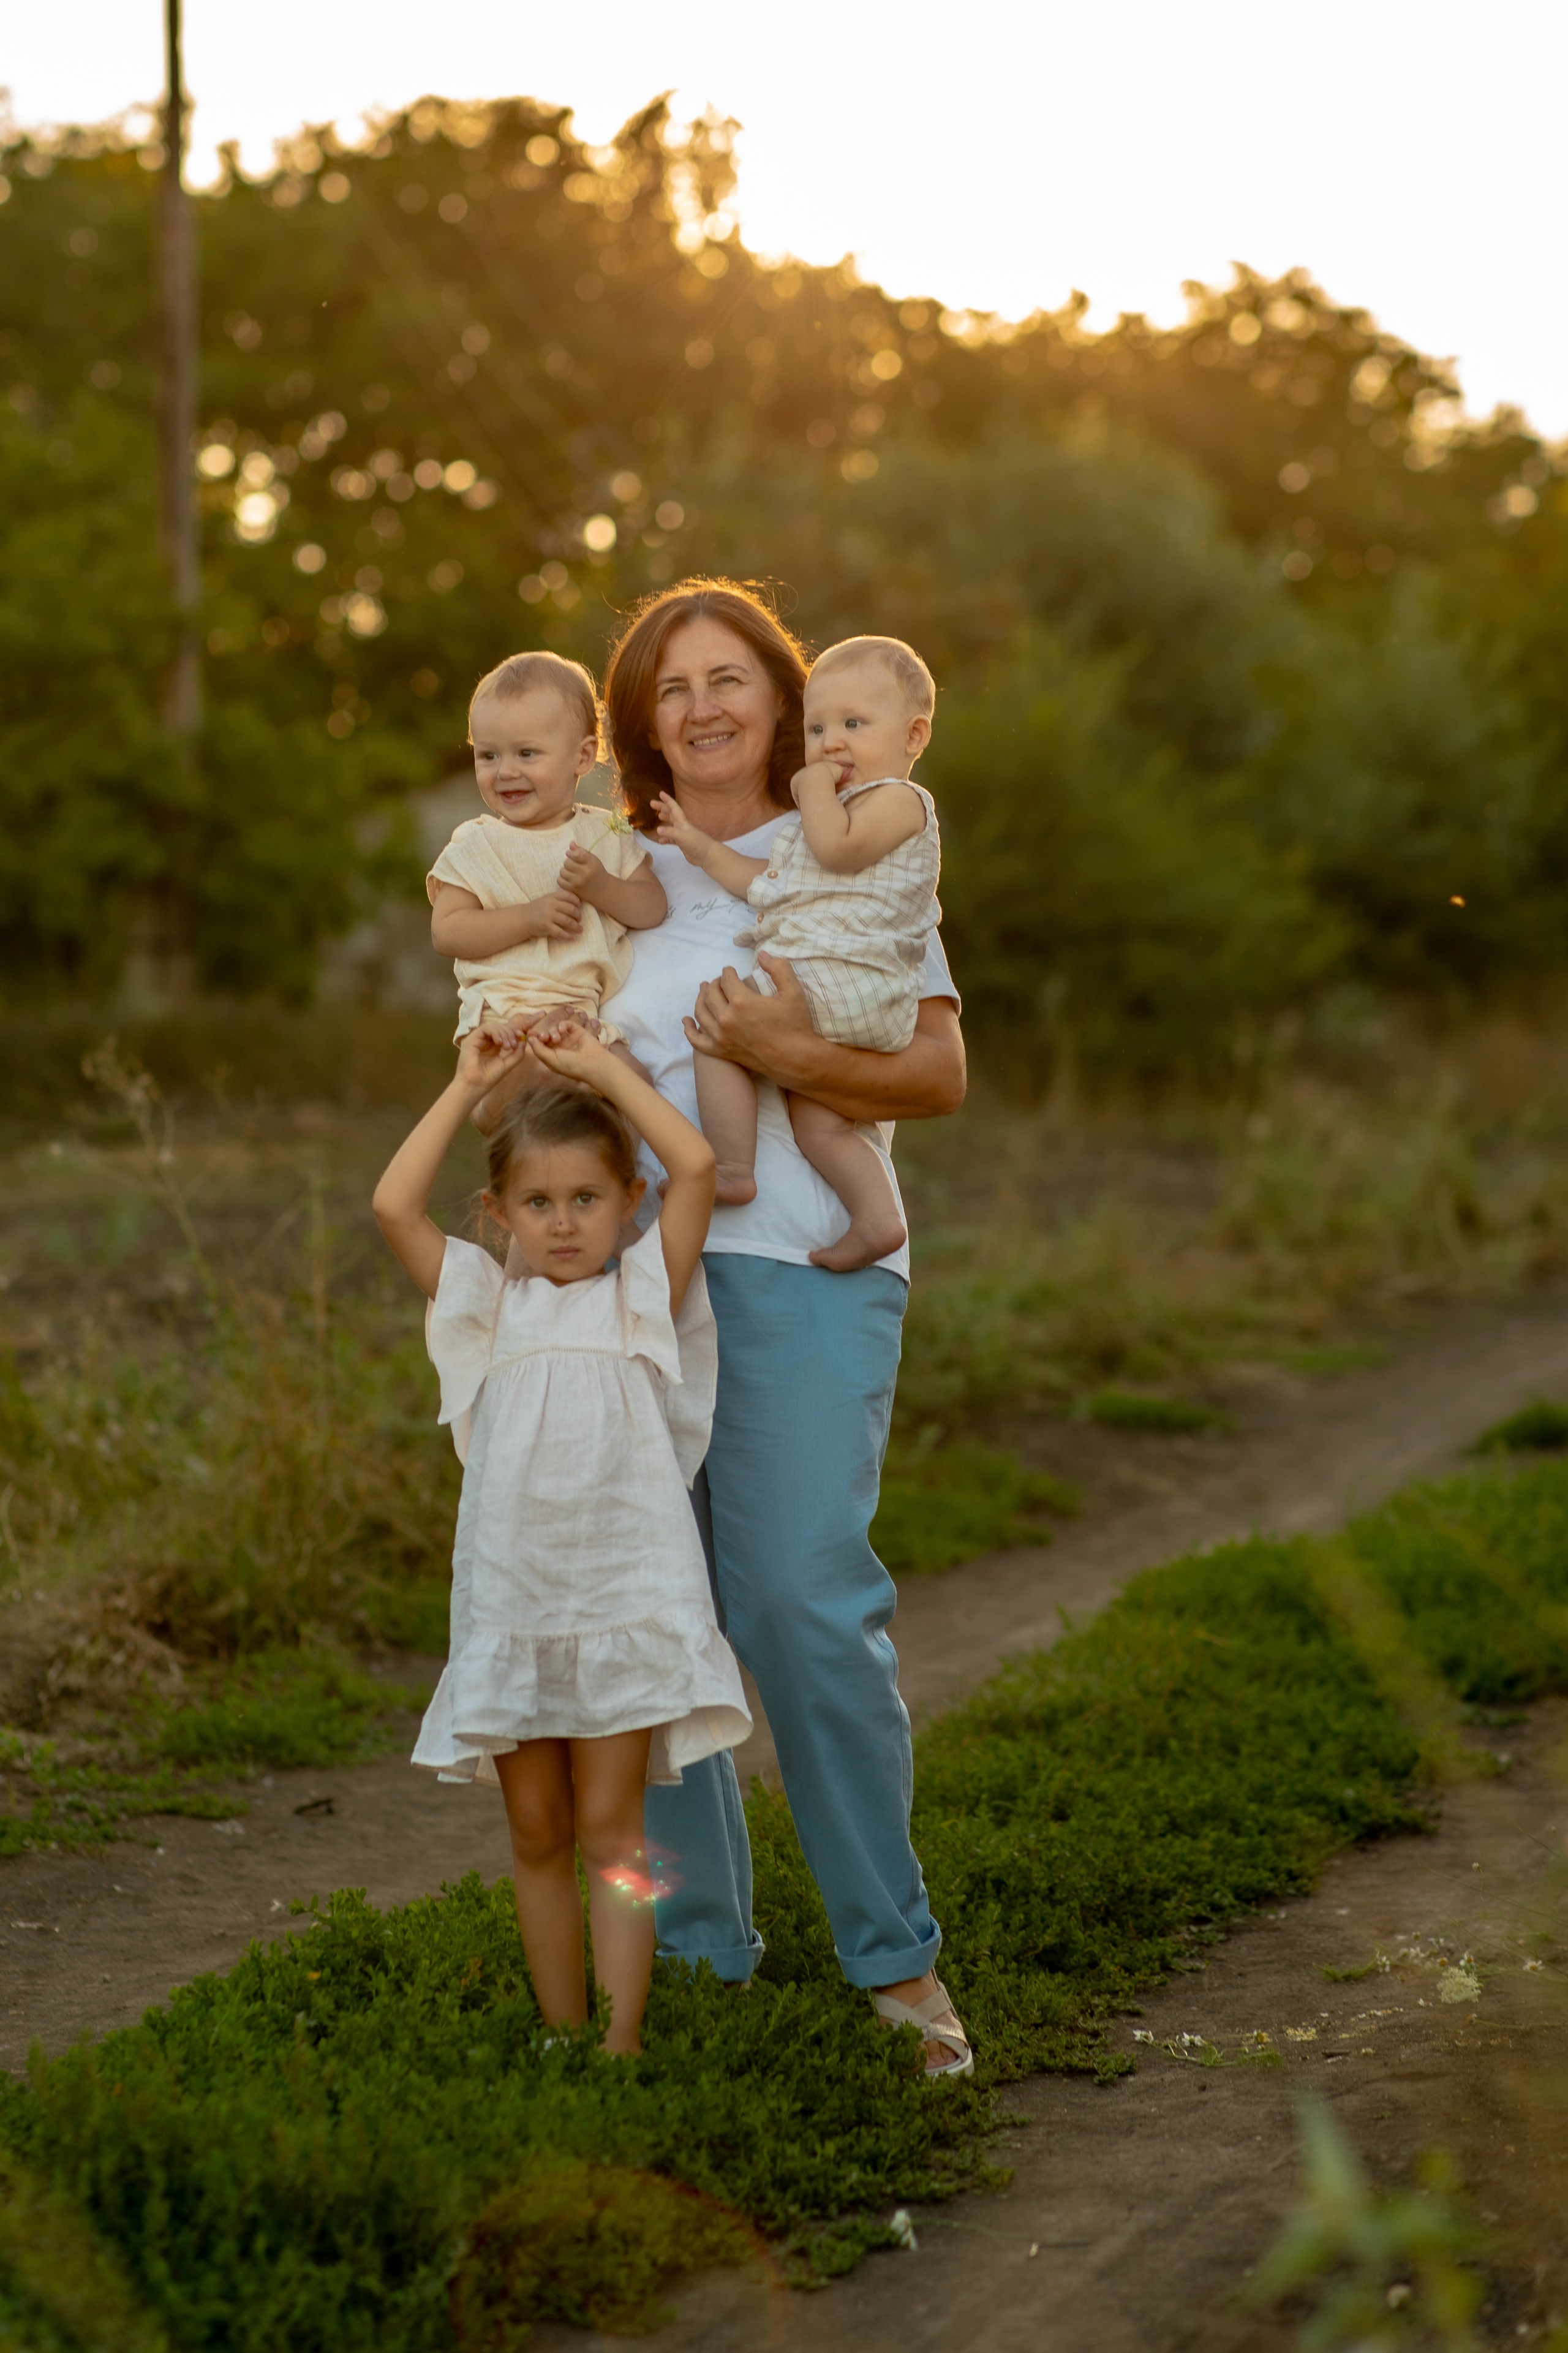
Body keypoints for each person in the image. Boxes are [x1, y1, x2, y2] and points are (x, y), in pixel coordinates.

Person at [599, 579, 974, 2075]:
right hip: (634, 1283)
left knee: (804, 1605)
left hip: (807, 1260)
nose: (699, 704)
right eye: (669, 685)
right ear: (642, 720)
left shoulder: (859, 838)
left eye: (727, 676)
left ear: (780, 693)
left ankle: (897, 1962)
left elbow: (935, 1072)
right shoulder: (619, 872)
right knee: (658, 1621)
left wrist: (780, 1047)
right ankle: (697, 1957)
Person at [370, 1014, 750, 2058]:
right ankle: (562, 2034)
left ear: (629, 1207)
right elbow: (392, 1203)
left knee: (610, 1831)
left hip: (622, 1602)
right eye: (538, 1203)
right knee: (536, 1831)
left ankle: (622, 2043)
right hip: (516, 1605)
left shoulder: (641, 1298)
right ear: (499, 1214)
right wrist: (465, 1085)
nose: (565, 1222)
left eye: (588, 1198)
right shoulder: (486, 1310)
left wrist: (598, 1070)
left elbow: (698, 1161)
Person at [652, 633, 940, 1272]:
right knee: (821, 1120)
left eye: (854, 724)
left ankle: (730, 1168)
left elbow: (835, 851)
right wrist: (698, 847)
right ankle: (876, 1216)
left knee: (718, 1019)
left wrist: (810, 789)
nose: (831, 742)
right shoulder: (824, 828)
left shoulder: (897, 802)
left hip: (848, 983)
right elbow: (768, 885)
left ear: (913, 736)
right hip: (844, 1001)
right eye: (818, 728)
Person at [427, 649, 666, 1120]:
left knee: (638, 1090)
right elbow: (447, 932)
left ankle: (625, 1190)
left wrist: (603, 888)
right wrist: (528, 918)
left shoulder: (607, 835)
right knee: (522, 1109)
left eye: (527, 753)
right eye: (488, 755)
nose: (505, 771)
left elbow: (652, 907)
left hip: (582, 1023)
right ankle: (504, 1137)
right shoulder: (477, 843)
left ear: (583, 756)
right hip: (506, 1020)